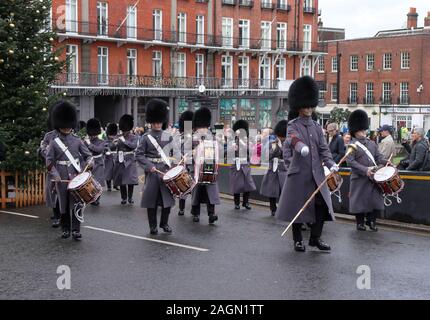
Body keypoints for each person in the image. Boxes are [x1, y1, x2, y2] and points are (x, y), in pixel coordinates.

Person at [276, 76, 337, 252]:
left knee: (321, 207)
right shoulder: (293, 125)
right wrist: (301, 147)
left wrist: (331, 163)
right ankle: (297, 240)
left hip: (316, 174)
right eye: (305, 106)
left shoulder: (317, 127)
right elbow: (293, 139)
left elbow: (324, 149)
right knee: (299, 208)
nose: (308, 109)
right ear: (299, 106)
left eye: (310, 106)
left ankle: (315, 238)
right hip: (299, 174)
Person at [46, 100, 93, 240]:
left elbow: (88, 155)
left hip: (75, 176)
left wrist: (90, 163)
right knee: (64, 205)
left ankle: (76, 230)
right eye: (64, 126)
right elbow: (49, 161)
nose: (66, 128)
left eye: (68, 126)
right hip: (61, 177)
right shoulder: (54, 143)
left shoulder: (77, 140)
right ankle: (65, 229)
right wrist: (55, 175)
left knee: (77, 204)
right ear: (59, 125)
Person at [135, 99, 175, 235]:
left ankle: (164, 223)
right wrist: (149, 166)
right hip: (152, 172)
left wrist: (175, 166)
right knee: (151, 200)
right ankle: (153, 226)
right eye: (155, 122)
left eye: (159, 122)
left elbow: (174, 153)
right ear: (151, 122)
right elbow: (139, 155)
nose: (158, 124)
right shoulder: (146, 138)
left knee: (167, 200)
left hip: (165, 170)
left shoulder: (168, 137)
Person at [347, 109, 389, 232]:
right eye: (361, 130)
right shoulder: (352, 145)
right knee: (359, 201)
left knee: (374, 200)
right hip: (359, 178)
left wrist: (386, 162)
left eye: (364, 129)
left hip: (373, 178)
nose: (364, 132)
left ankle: (372, 221)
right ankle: (360, 223)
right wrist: (365, 170)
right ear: (355, 131)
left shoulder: (372, 143)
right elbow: (350, 162)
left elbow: (378, 157)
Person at [190, 107, 221, 224]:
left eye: (204, 127)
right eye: (200, 127)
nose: (203, 129)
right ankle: (195, 213)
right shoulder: (192, 138)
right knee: (197, 193)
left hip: (209, 168)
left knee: (211, 193)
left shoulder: (212, 138)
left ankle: (211, 214)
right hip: (196, 169)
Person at [38, 103, 60, 228]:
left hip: (65, 168)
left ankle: (63, 216)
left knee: (63, 193)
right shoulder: (48, 136)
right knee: (52, 192)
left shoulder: (69, 136)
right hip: (52, 167)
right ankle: (56, 216)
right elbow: (43, 151)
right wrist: (45, 151)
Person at [260, 120, 288, 216]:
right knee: (272, 190)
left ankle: (282, 208)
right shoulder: (272, 142)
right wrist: (275, 148)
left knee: (283, 191)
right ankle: (273, 208)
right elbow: (267, 156)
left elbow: (287, 156)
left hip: (283, 169)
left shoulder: (287, 143)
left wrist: (281, 147)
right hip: (273, 168)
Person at [229, 119, 257, 211]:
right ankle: (236, 203)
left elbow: (251, 151)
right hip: (236, 164)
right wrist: (232, 148)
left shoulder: (248, 141)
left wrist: (242, 143)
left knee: (247, 185)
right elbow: (227, 152)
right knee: (236, 185)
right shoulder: (232, 141)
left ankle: (246, 202)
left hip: (245, 165)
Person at [113, 114, 139, 205]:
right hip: (120, 160)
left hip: (130, 160)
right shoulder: (118, 136)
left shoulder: (134, 137)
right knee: (122, 181)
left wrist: (124, 140)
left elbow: (133, 146)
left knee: (130, 181)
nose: (124, 131)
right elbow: (112, 147)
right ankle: (124, 198)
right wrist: (114, 143)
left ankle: (130, 198)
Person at [176, 110, 194, 216]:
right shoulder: (180, 137)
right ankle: (181, 208)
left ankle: (194, 209)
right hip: (183, 165)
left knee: (194, 189)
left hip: (192, 165)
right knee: (183, 188)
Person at [84, 118, 106, 206]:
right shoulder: (86, 141)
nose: (92, 136)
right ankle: (92, 198)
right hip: (89, 163)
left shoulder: (101, 141)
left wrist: (89, 144)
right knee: (90, 182)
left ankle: (97, 199)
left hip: (98, 163)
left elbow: (98, 150)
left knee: (98, 182)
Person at [104, 123, 118, 192]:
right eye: (111, 135)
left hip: (115, 157)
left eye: (113, 135)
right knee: (108, 172)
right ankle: (109, 186)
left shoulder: (116, 139)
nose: (112, 136)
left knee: (116, 171)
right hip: (108, 158)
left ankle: (116, 185)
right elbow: (104, 148)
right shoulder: (106, 141)